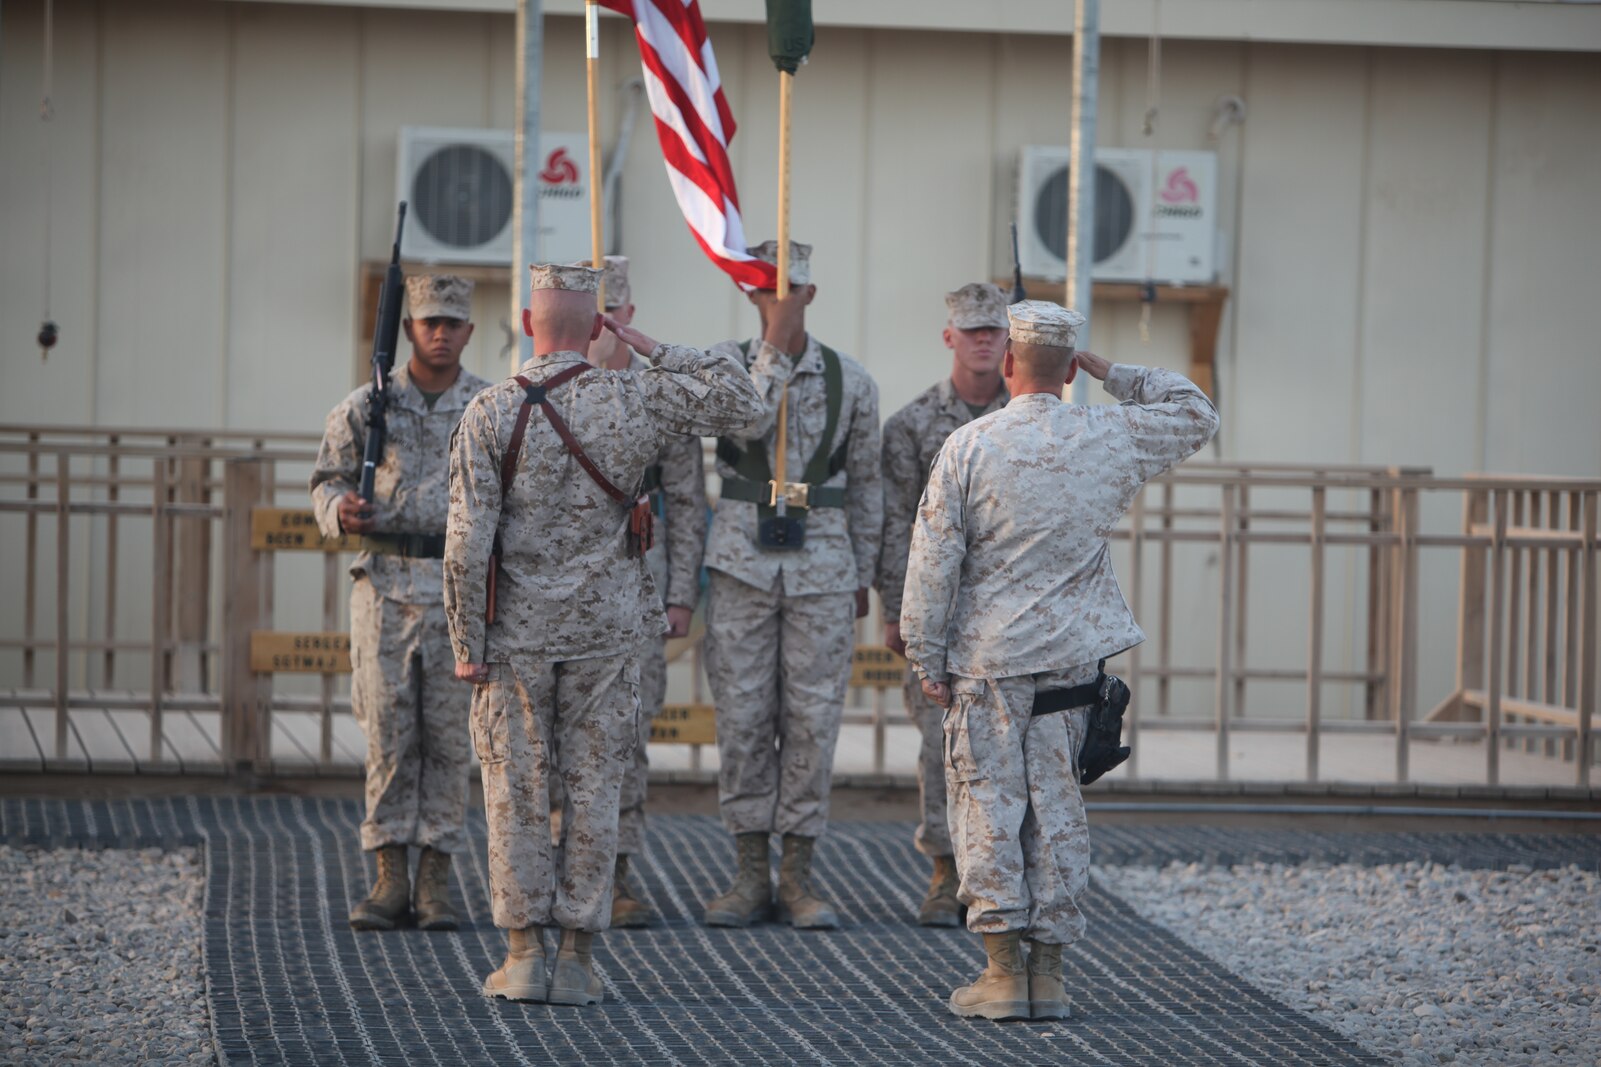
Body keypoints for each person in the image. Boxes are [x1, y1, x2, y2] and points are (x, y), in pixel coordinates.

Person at [442, 263, 765, 1007]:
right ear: (597, 328)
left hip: (515, 638)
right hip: (611, 634)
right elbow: (742, 397)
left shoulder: (489, 412)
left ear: (526, 323)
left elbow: (465, 546)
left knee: (516, 789)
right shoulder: (634, 396)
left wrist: (467, 643)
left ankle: (523, 953)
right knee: (595, 789)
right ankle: (580, 957)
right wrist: (651, 345)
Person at [900, 300, 1218, 1021]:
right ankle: (1049, 974)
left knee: (988, 811)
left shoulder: (969, 445)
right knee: (1058, 814)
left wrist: (926, 654)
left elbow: (931, 565)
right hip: (1073, 668)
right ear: (1071, 368)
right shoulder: (1109, 433)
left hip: (988, 667)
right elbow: (1194, 410)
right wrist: (1107, 369)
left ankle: (1001, 972)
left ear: (1007, 362)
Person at [699, 240, 883, 930]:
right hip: (743, 564)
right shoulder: (725, 368)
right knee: (743, 719)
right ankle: (748, 870)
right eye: (768, 290)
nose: (781, 301)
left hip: (823, 569)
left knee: (812, 722)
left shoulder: (852, 380)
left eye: (792, 290)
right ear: (751, 295)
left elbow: (866, 485)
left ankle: (798, 873)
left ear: (812, 294)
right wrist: (770, 351)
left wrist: (863, 570)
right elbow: (745, 419)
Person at [309, 274, 491, 932]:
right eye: (428, 322)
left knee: (448, 738)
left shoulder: (486, 407)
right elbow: (325, 479)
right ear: (408, 328)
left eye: (452, 322)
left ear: (470, 331)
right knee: (387, 732)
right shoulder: (366, 405)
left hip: (454, 587)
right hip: (385, 584)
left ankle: (435, 878)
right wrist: (340, 508)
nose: (439, 332)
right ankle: (389, 876)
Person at [876, 282, 1010, 927]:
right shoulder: (910, 425)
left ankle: (1006, 872)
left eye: (995, 331)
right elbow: (893, 520)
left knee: (1014, 749)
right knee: (939, 747)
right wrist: (893, 611)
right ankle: (944, 869)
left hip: (1017, 615)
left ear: (1011, 340)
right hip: (939, 613)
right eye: (973, 330)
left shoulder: (1038, 416)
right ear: (950, 337)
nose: (984, 341)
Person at [584, 255, 708, 929]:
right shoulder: (546, 390)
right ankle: (560, 864)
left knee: (629, 733)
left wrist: (681, 593)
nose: (603, 324)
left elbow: (688, 504)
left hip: (641, 588)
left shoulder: (661, 399)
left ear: (630, 316)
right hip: (561, 596)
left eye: (614, 311)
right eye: (591, 312)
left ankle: (620, 868)